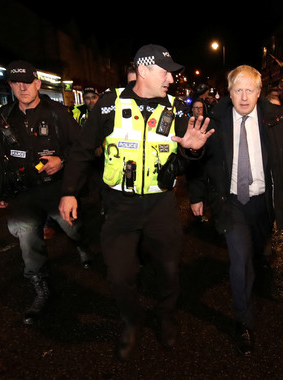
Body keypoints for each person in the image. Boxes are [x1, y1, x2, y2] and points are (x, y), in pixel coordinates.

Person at [58, 44, 214, 360]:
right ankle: (131, 321)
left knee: (169, 269)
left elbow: (189, 156)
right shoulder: (109, 104)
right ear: (143, 70)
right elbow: (83, 150)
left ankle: (166, 316)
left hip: (161, 205)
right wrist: (69, 190)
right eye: (165, 71)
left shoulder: (176, 109)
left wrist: (194, 150)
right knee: (119, 274)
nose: (171, 78)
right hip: (119, 206)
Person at [187, 65, 283, 357]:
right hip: (231, 203)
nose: (244, 97)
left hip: (263, 201)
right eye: (238, 90)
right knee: (240, 261)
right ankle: (243, 321)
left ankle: (256, 266)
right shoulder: (214, 119)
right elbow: (199, 161)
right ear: (229, 93)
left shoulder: (277, 119)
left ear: (259, 92)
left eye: (250, 90)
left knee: (256, 253)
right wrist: (196, 194)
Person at [0, 60, 93, 325]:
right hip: (23, 193)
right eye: (15, 82)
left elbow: (83, 146)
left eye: (27, 82)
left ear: (37, 83)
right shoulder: (0, 119)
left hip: (56, 189)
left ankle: (82, 244)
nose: (22, 87)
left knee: (73, 228)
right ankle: (42, 288)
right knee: (27, 240)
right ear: (9, 85)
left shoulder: (56, 112)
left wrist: (62, 161)